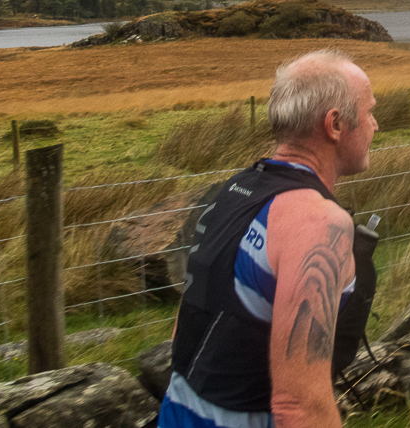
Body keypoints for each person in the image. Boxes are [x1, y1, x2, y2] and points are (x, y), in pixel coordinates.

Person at [159, 49, 380, 428]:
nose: (376, 125)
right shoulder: (318, 224)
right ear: (335, 124)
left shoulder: (231, 192)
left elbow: (190, 323)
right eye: (371, 112)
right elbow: (299, 405)